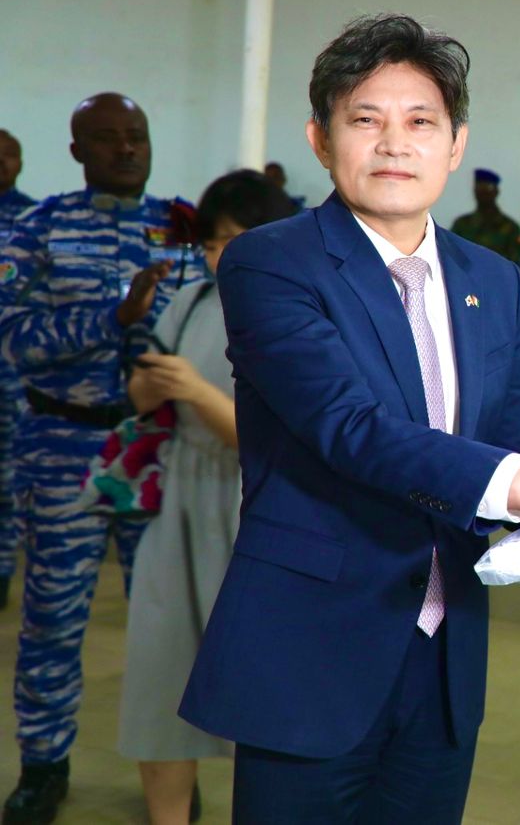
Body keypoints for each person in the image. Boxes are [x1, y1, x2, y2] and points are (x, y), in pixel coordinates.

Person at [177, 14, 520, 823]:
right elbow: (349, 426)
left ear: (455, 143)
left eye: (420, 123)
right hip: (313, 648)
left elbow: (508, 452)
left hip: (444, 661)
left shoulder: (496, 279)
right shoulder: (272, 262)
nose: (393, 144)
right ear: (319, 137)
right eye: (364, 120)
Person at [0, 93, 196, 825]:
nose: (127, 150)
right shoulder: (37, 227)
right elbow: (13, 338)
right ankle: (44, 766)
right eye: (108, 139)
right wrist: (109, 320)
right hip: (64, 448)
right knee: (53, 619)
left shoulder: (181, 226)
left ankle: (171, 772)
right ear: (78, 150)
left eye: (136, 136)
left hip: (160, 453)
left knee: (168, 621)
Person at [117, 170, 296, 825]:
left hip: (257, 506)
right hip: (179, 502)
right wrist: (155, 385)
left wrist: (194, 390)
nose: (222, 257)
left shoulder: (293, 310)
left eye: (236, 240)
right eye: (213, 244)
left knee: (260, 687)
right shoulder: (189, 300)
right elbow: (139, 399)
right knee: (160, 673)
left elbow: (272, 439)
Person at [0, 129, 36, 612]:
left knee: (8, 478)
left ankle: (3, 568)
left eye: (10, 153)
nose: (4, 162)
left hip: (12, 379)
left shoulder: (34, 220)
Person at [450, 168, 520, 263]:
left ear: (496, 192)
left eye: (488, 189)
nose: (483, 194)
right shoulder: (462, 225)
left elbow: (518, 263)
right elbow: (450, 256)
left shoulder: (510, 228)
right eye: (480, 189)